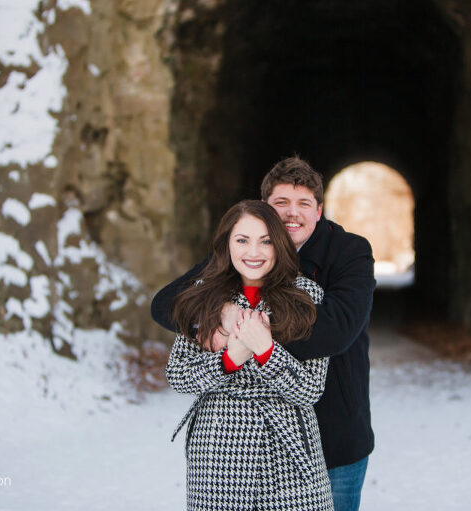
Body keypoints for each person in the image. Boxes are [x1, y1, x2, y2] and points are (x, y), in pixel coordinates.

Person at [153, 156, 376, 511]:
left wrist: (255, 335)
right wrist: (217, 314)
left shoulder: (348, 253)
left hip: (330, 427)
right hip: (226, 451)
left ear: (319, 210)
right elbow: (167, 303)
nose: (292, 213)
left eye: (303, 203)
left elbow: (336, 331)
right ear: (264, 210)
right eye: (280, 203)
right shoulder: (239, 254)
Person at [166, 199, 333, 510]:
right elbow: (178, 375)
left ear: (279, 245)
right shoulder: (203, 295)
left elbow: (311, 389)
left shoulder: (306, 295)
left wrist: (267, 351)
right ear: (227, 244)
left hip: (288, 447)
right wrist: (229, 360)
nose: (253, 252)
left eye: (265, 241)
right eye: (242, 240)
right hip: (218, 450)